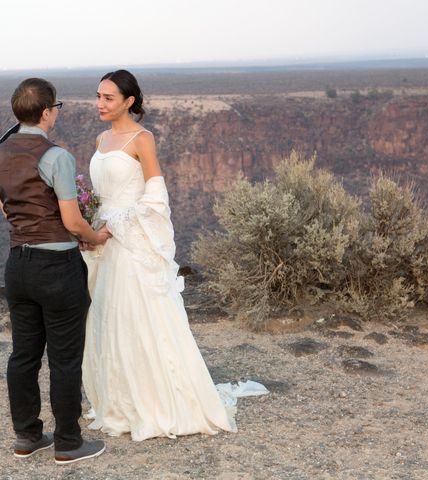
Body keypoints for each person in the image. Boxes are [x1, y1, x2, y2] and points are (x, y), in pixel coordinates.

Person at [81, 69, 267, 441]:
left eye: (108, 98)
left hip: (131, 245)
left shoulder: (142, 139)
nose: (100, 104)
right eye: (98, 96)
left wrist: (111, 226)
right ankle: (118, 401)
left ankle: (157, 404)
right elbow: (101, 193)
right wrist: (89, 225)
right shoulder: (102, 138)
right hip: (104, 245)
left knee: (138, 319)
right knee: (109, 319)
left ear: (129, 102)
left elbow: (155, 198)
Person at [0, 78, 110, 464]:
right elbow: (73, 221)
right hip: (57, 267)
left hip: (17, 265)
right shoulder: (55, 156)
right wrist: (98, 236)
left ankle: (27, 436)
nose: (56, 111)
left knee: (23, 355)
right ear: (45, 112)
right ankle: (68, 442)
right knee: (64, 357)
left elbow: (6, 209)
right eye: (56, 106)